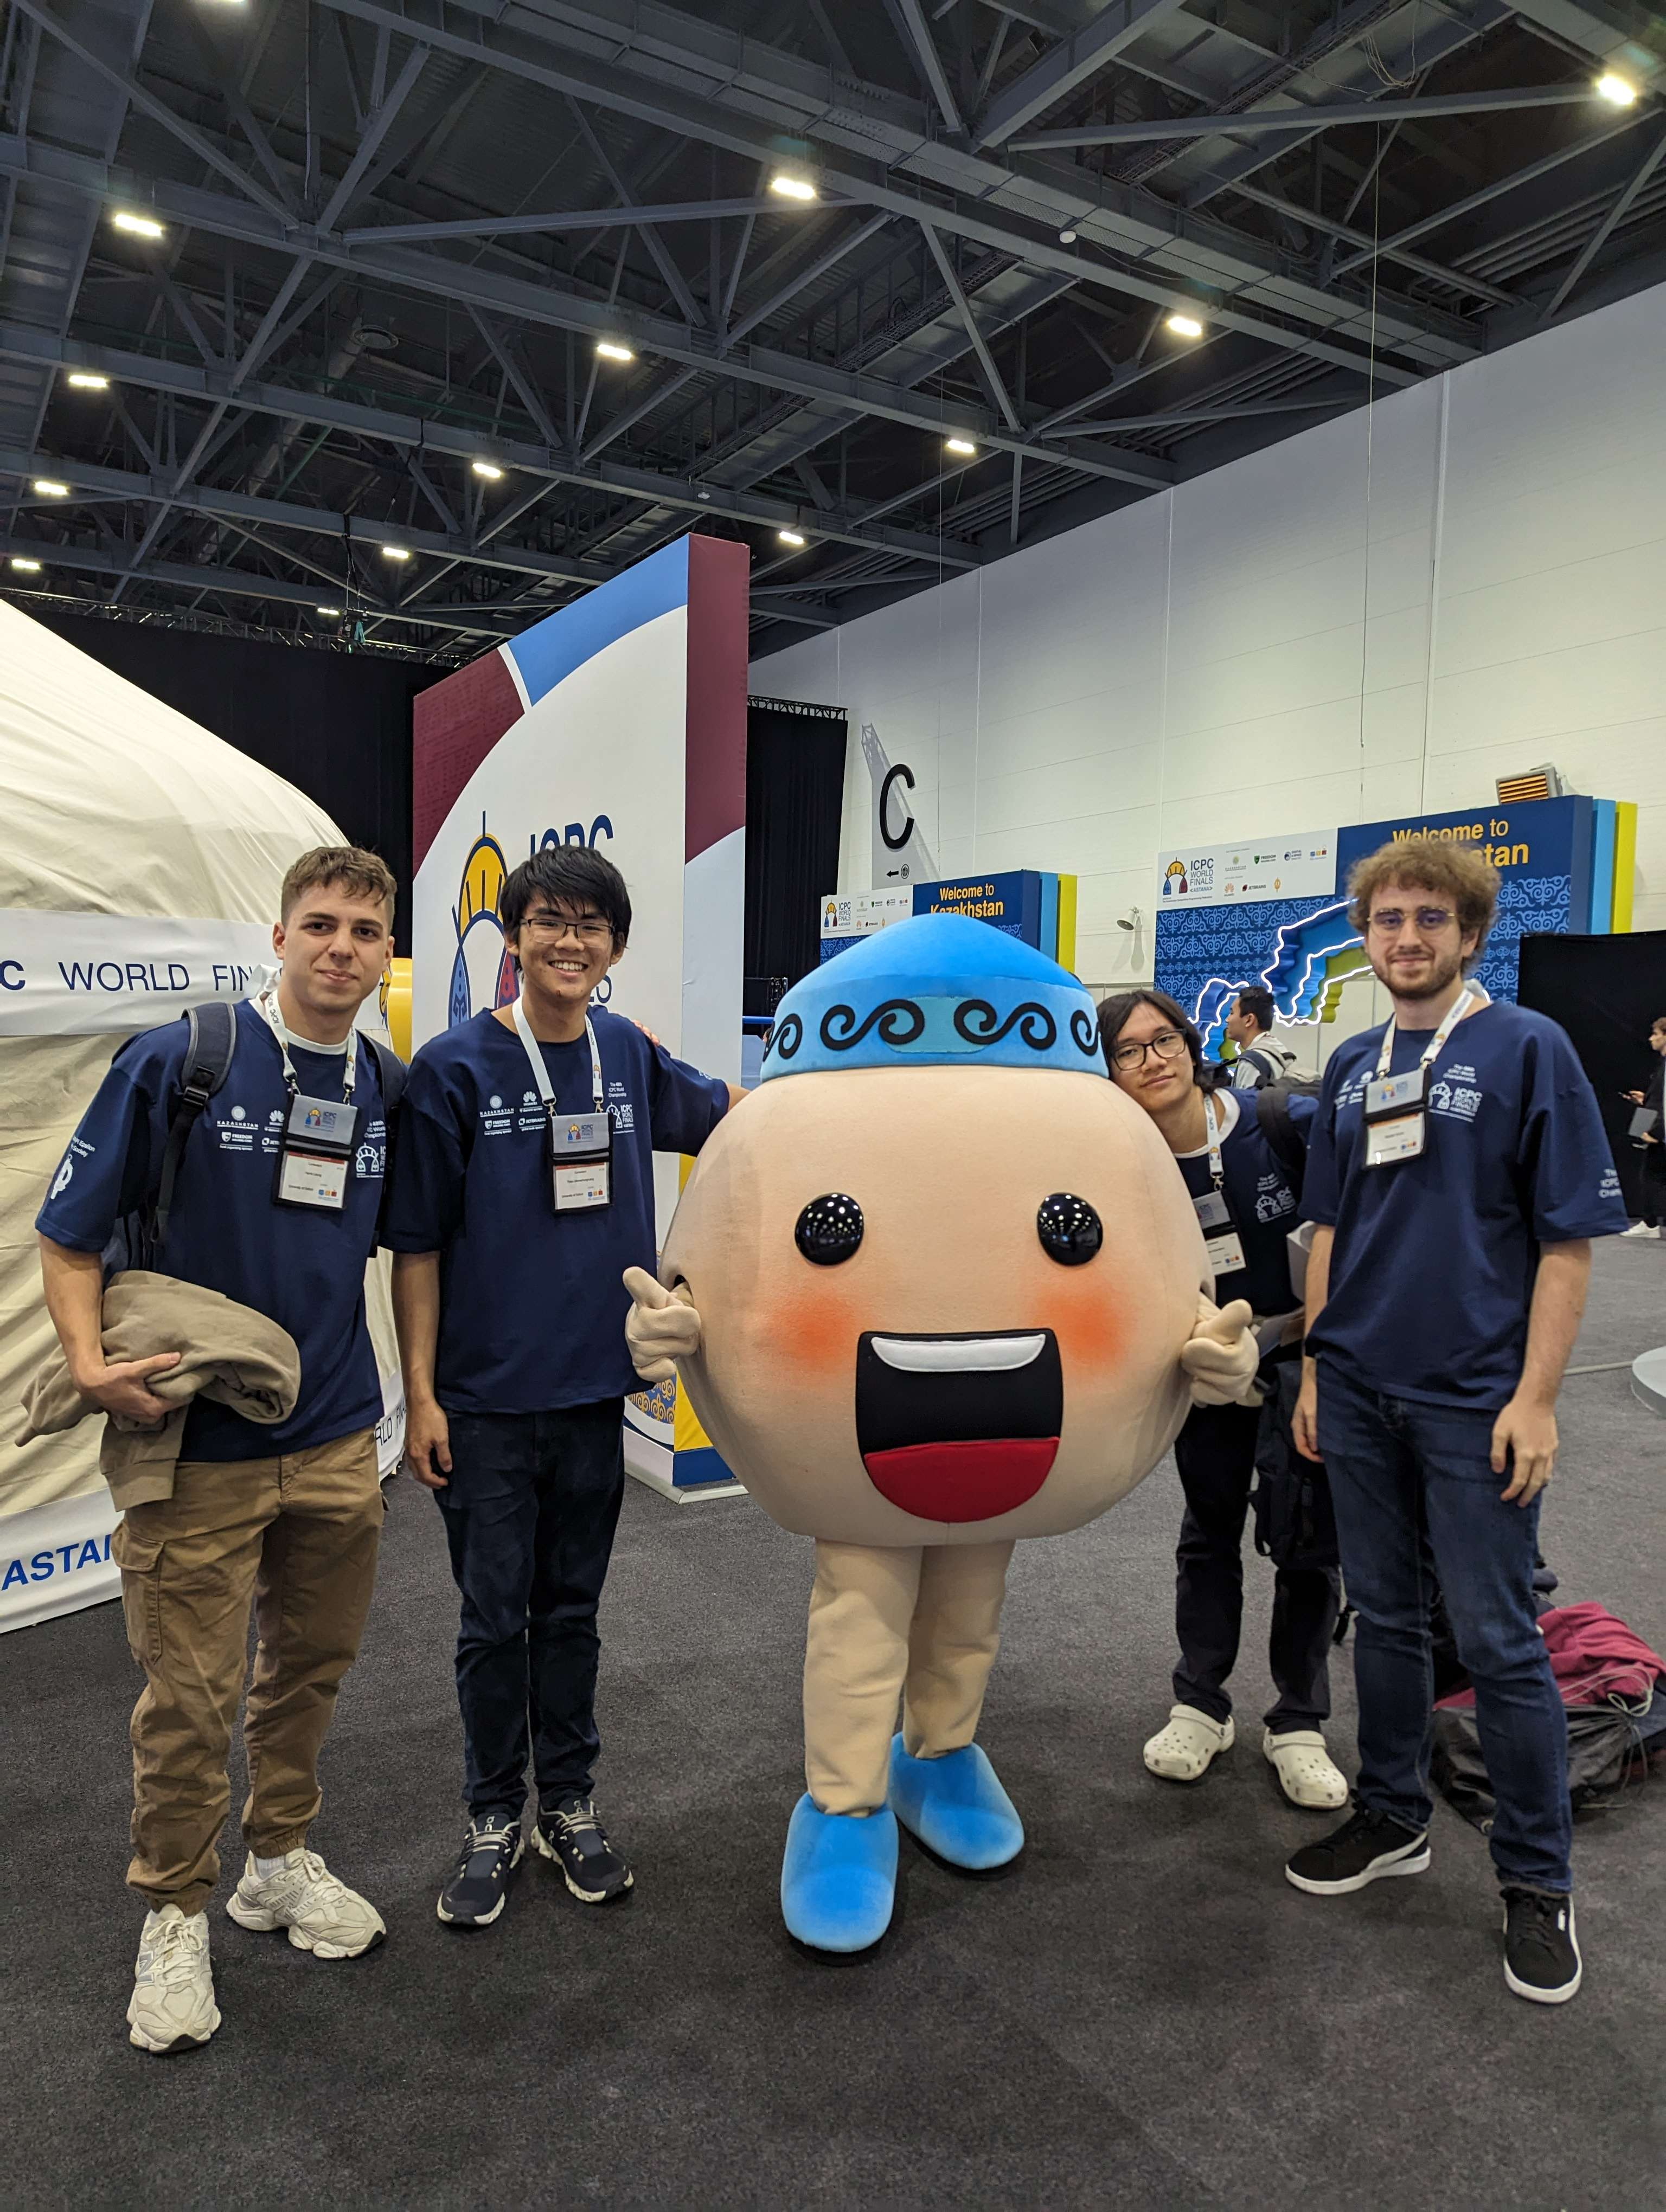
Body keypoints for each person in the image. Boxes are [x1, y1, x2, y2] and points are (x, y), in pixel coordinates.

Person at [36, 846, 401, 2054]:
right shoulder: (188, 1059)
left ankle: (278, 1862)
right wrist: (90, 1368)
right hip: (199, 1452)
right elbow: (71, 1235)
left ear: (387, 950)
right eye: (320, 923)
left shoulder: (386, 1087)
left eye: (363, 928)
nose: (341, 946)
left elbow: (406, 1252)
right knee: (185, 1701)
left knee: (309, 1673)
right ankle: (175, 1911)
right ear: (280, 934)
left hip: (340, 1439)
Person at [1287, 836, 1626, 2005]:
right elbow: (1329, 1230)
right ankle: (1392, 1816)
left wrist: (1536, 1399)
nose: (1409, 938)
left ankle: (1537, 1883)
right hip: (1364, 1391)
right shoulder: (1346, 1065)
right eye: (1388, 919)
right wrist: (1323, 1371)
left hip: (1476, 1398)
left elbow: (1570, 1243)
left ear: (1471, 934)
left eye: (1432, 918)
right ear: (1367, 935)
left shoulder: (1528, 1048)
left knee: (1496, 1637)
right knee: (1382, 1616)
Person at [385, 846, 742, 1932]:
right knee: (494, 1621)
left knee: (572, 1613)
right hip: (485, 1403)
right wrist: (422, 1398)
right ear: (514, 935)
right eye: (549, 920)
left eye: (591, 924)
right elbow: (416, 1250)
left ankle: (570, 1805)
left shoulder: (627, 1053)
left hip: (596, 1393)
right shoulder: (452, 1069)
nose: (570, 940)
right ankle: (493, 1814)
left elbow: (733, 1117)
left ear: (615, 946)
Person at [1099, 988, 1345, 1810]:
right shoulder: (1122, 1165)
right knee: (1208, 1534)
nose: (1151, 1060)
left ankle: (1299, 1721)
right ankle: (1200, 1703)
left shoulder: (1284, 1124)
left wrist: (1294, 1350)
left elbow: (1351, 1246)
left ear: (1190, 1042)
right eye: (1128, 1051)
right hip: (1203, 1372)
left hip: (1304, 1362)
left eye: (1162, 1039)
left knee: (1308, 1540)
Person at [1619, 1013, 1666, 1237]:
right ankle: (1649, 1224)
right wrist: (1644, 1099)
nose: (1651, 1039)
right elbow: (1659, 1098)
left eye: (1656, 1034)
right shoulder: (1662, 1066)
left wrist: (1657, 1133)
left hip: (1660, 1131)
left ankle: (1650, 1225)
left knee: (1650, 1176)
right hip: (1657, 1127)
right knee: (1650, 1175)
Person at [1223, 987, 1285, 1090]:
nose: (1227, 1019)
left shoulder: (1251, 1063)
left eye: (1232, 1013)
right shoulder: (1278, 1050)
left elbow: (1246, 1105)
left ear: (1249, 1020)